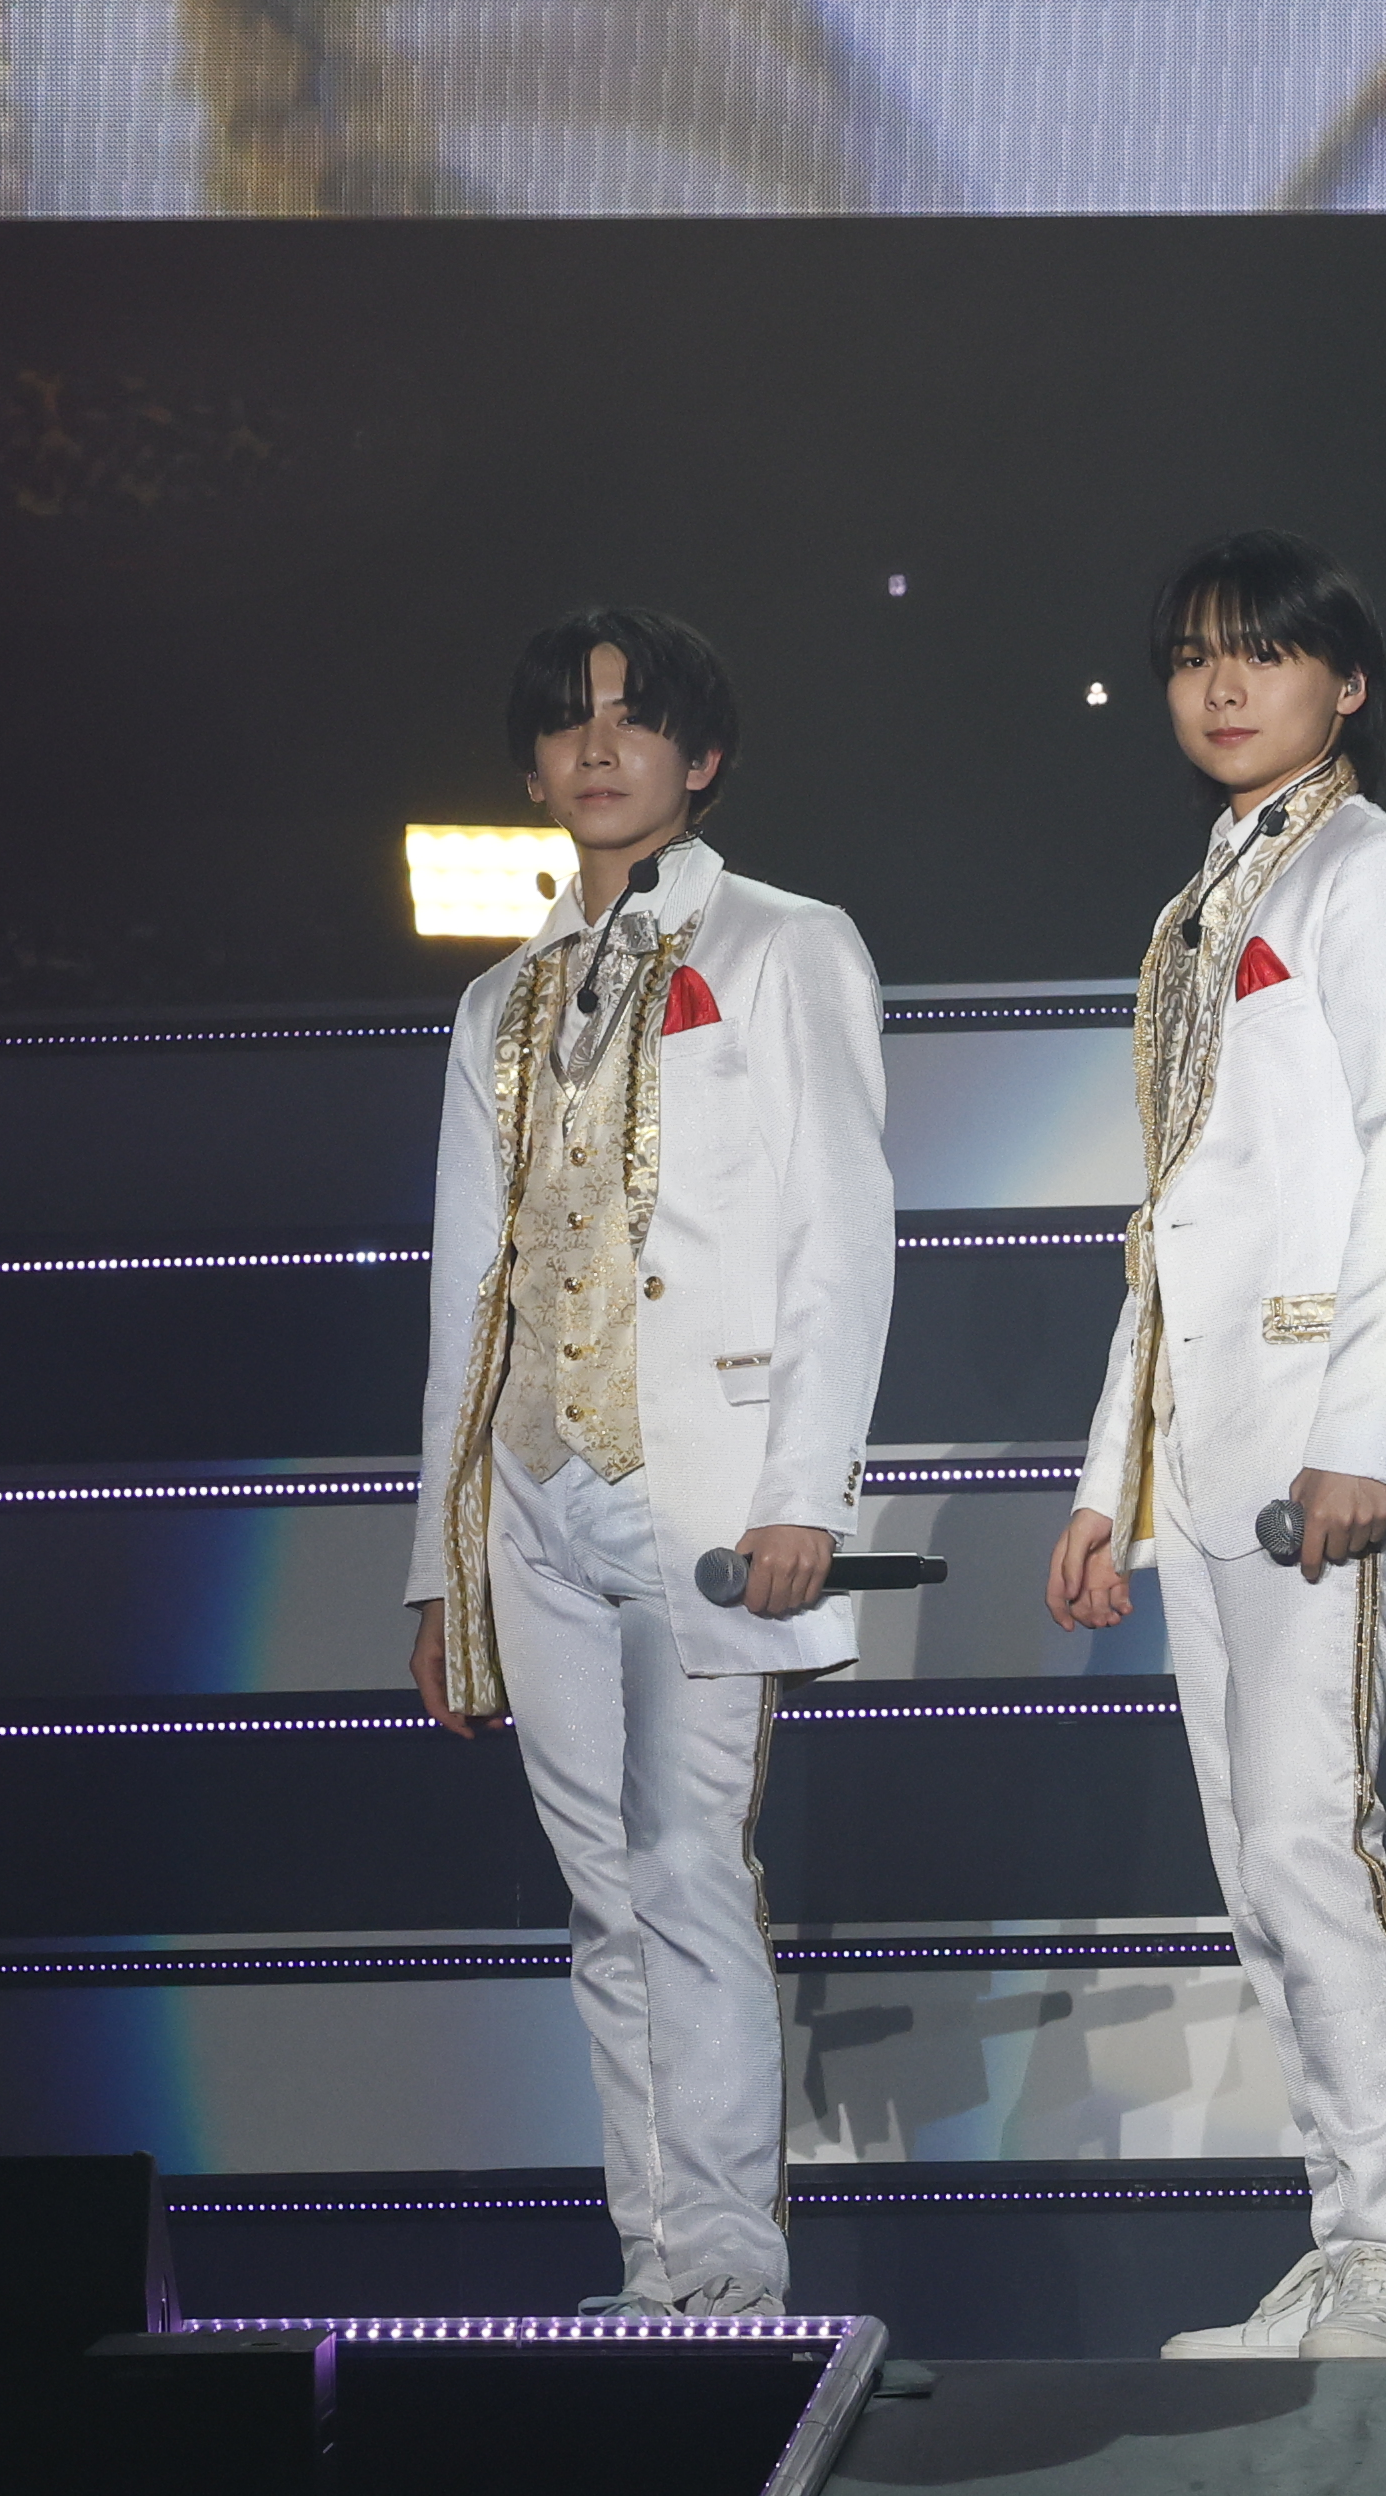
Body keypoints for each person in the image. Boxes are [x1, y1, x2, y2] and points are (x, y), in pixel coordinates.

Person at [404, 606, 893, 2319]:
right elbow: (462, 1292)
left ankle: (733, 2264)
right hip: (531, 1498)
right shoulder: (498, 1000)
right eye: (569, 721)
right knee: (602, 1897)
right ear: (533, 765)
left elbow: (843, 1230)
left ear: (704, 754)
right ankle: (654, 2259)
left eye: (633, 718)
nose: (598, 746)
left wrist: (805, 1492)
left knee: (686, 1867)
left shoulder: (782, 943)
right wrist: (441, 1561)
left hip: (700, 1478)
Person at [1044, 530, 1386, 2360]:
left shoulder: (1385, 875)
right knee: (1258, 1867)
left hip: (1331, 1447)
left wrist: (1368, 1433)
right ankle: (1344, 2239)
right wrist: (1111, 1481)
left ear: (1348, 682)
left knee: (1314, 1842)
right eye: (1192, 659)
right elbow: (1176, 1217)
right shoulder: (1207, 900)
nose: (1223, 687)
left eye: (1263, 653)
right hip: (1213, 1446)